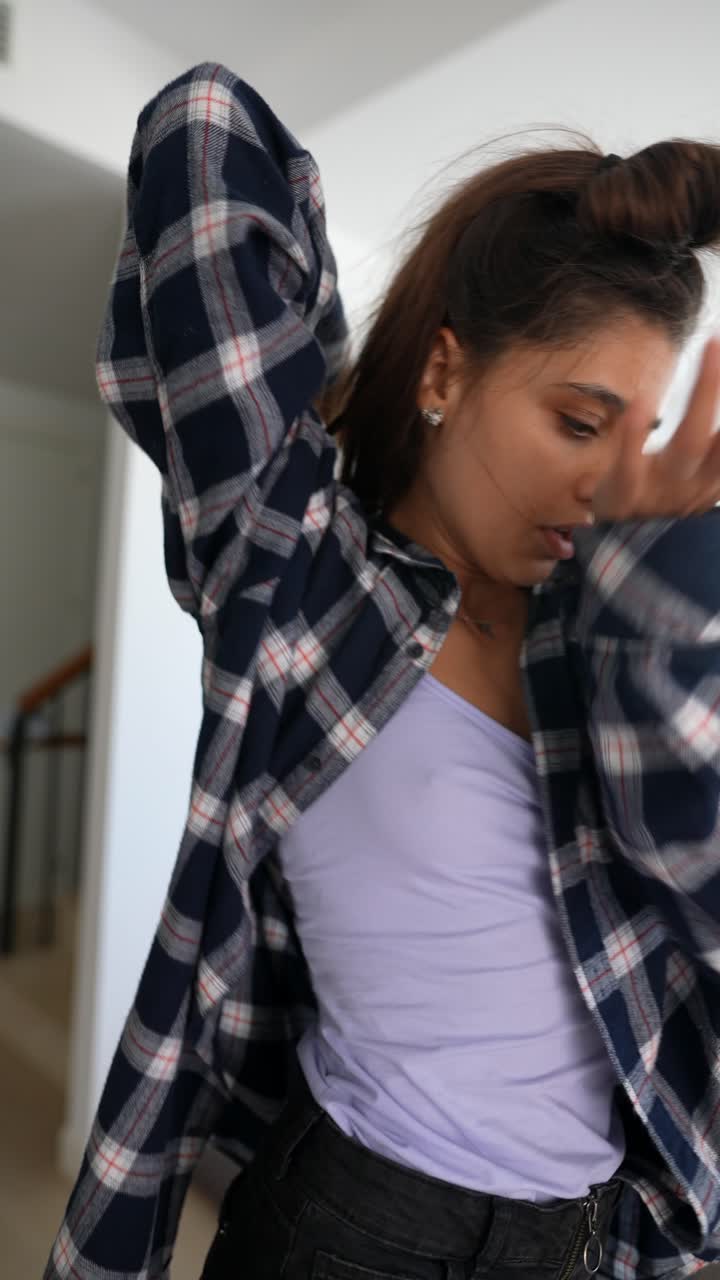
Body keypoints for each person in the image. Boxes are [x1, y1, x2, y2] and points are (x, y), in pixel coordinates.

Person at [45, 62, 720, 1280]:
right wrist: (339, 388)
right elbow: (206, 131)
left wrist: (664, 604)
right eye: (579, 420)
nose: (607, 481)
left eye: (643, 437)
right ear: (449, 372)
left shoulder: (606, 653)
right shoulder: (313, 573)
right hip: (358, 1228)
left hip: (579, 1242)